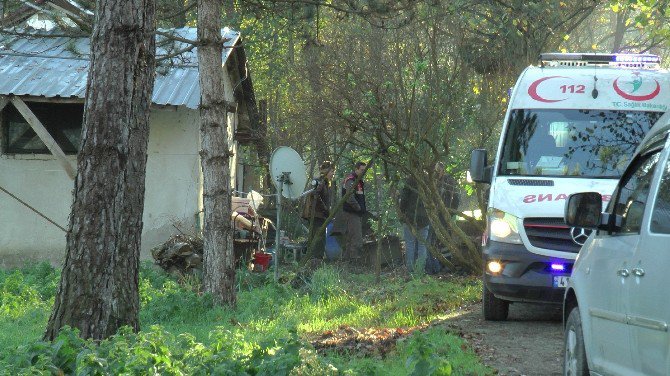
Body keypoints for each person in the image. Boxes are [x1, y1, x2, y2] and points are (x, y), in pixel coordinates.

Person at [333, 161, 367, 260]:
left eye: (364, 170)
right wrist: (359, 208)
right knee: (356, 238)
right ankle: (354, 261)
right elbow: (350, 198)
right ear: (356, 169)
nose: (363, 172)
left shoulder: (359, 181)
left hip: (355, 213)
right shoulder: (351, 180)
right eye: (361, 170)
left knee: (350, 238)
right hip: (351, 213)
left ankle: (346, 262)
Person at [302, 161, 335, 260]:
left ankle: (316, 259)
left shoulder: (325, 183)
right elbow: (315, 196)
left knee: (319, 238)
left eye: (334, 171)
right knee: (319, 238)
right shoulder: (319, 182)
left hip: (320, 215)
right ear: (326, 171)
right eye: (332, 171)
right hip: (316, 215)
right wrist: (326, 210)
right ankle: (316, 259)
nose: (333, 174)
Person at [399, 172, 430, 273]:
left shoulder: (409, 181)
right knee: (422, 244)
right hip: (425, 218)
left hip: (410, 218)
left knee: (410, 244)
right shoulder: (428, 181)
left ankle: (410, 270)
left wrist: (402, 212)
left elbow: (403, 200)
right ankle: (420, 270)